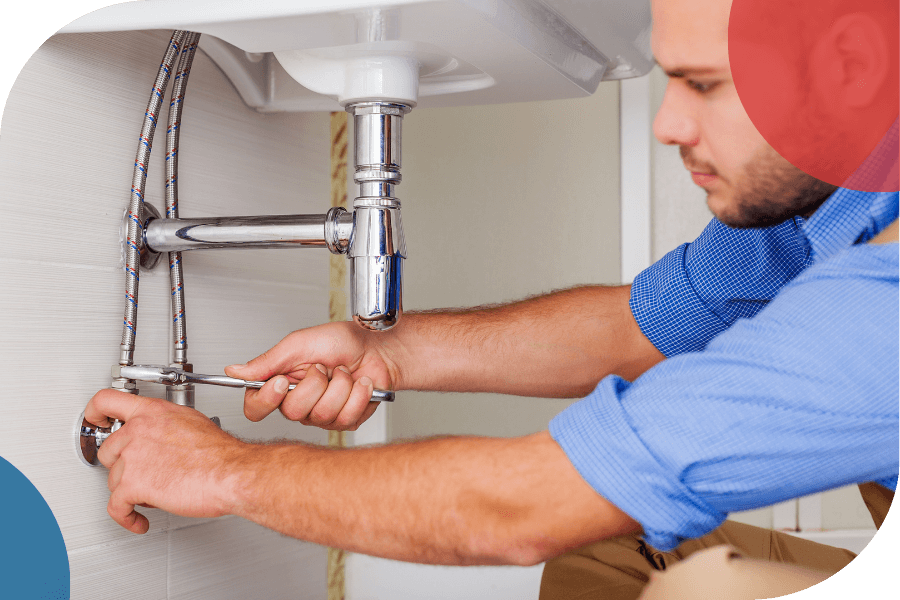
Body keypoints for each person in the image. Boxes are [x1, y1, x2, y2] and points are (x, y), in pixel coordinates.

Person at [85, 0, 898, 596]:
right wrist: (388, 352)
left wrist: (224, 470)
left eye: (702, 85)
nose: (667, 124)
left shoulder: (884, 304)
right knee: (608, 556)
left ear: (853, 66)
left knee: (698, 590)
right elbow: (636, 326)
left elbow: (524, 507)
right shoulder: (838, 196)